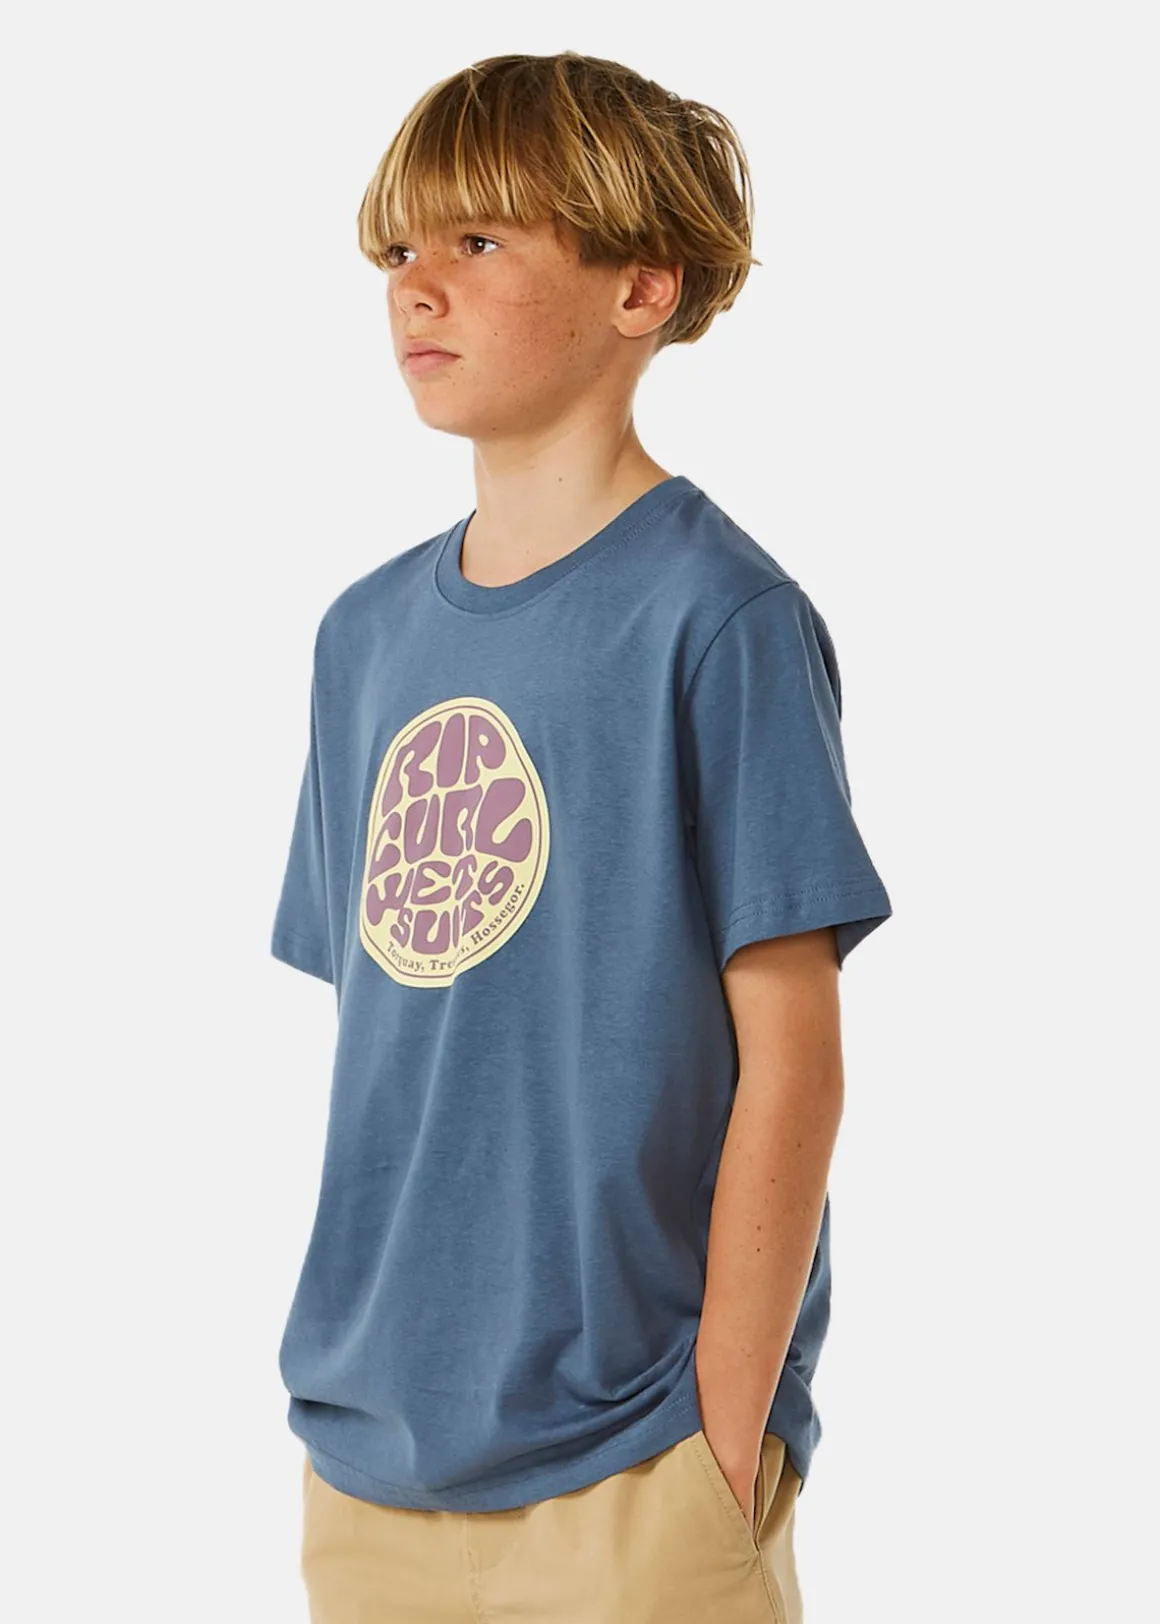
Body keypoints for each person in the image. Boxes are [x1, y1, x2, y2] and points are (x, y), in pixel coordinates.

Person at [271, 49, 893, 1624]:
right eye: (398, 247)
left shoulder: (719, 619)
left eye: (479, 241)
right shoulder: (362, 642)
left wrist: (724, 1425)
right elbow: (402, 1036)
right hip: (371, 1458)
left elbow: (795, 1058)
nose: (416, 286)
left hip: (639, 1462)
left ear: (641, 286)